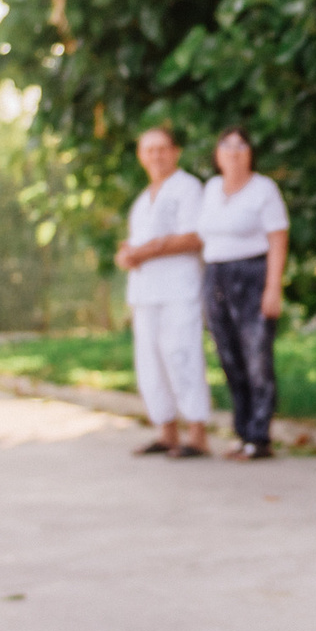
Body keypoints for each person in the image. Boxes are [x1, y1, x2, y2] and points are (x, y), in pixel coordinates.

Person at [116, 125, 210, 458]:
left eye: (162, 149)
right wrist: (128, 254)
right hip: (145, 294)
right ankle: (166, 431)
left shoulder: (188, 188)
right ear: (141, 156)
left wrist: (146, 251)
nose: (156, 156)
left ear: (175, 152)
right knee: (150, 364)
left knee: (181, 355)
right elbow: (135, 243)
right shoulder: (142, 201)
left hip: (178, 290)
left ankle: (196, 434)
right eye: (149, 150)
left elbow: (194, 237)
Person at [198, 124, 288, 461]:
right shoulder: (210, 189)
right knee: (228, 356)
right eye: (226, 145)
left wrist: (273, 287)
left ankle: (259, 436)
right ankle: (242, 431)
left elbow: (278, 239)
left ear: (250, 153)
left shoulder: (264, 189)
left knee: (256, 357)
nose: (234, 151)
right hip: (216, 275)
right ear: (217, 155)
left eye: (241, 145)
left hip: (252, 273)